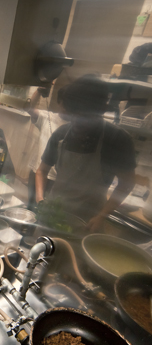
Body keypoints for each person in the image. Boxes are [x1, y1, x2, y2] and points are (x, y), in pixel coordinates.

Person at [35, 74, 136, 232]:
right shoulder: (61, 134)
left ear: (100, 110)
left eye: (85, 116)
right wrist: (40, 200)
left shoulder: (116, 139)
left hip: (87, 222)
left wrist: (102, 216)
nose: (77, 121)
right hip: (53, 215)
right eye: (73, 114)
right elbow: (41, 171)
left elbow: (127, 183)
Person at [26, 86, 67, 211]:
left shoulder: (77, 126)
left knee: (49, 212)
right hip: (37, 172)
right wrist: (39, 91)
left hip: (57, 179)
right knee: (31, 207)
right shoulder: (47, 117)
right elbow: (29, 108)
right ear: (60, 103)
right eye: (66, 103)